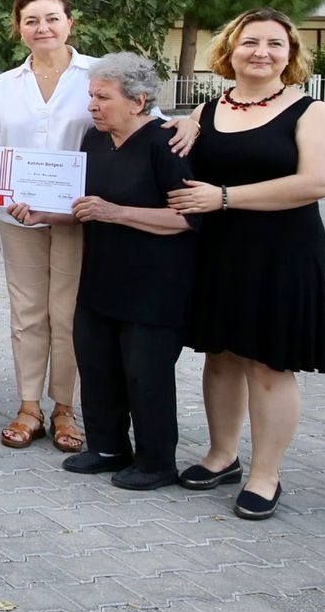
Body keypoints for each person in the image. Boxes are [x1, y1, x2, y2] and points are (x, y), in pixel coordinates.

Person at [169, 9, 325, 520]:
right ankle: (222, 455)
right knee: (220, 356)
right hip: (219, 252)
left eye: (274, 44)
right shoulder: (205, 111)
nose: (261, 52)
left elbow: (317, 183)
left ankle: (266, 474)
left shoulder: (311, 111)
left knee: (269, 364)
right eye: (250, 42)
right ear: (230, 51)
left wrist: (224, 197)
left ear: (290, 55)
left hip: (282, 253)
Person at [10, 54, 198, 492]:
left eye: (103, 97)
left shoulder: (165, 143)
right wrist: (44, 214)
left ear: (139, 101)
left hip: (154, 282)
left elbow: (189, 218)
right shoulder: (96, 141)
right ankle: (108, 447)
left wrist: (117, 213)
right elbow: (84, 207)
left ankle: (156, 461)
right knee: (97, 363)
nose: (92, 105)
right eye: (91, 96)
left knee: (144, 372)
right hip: (100, 275)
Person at [0, 0, 91, 453]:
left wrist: (189, 122)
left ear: (70, 22)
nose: (42, 28)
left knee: (67, 314)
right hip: (19, 213)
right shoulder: (6, 83)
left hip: (76, 216)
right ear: (19, 29)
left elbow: (142, 120)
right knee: (27, 313)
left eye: (51, 18)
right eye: (31, 21)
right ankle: (29, 407)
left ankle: (65, 408)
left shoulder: (97, 74)